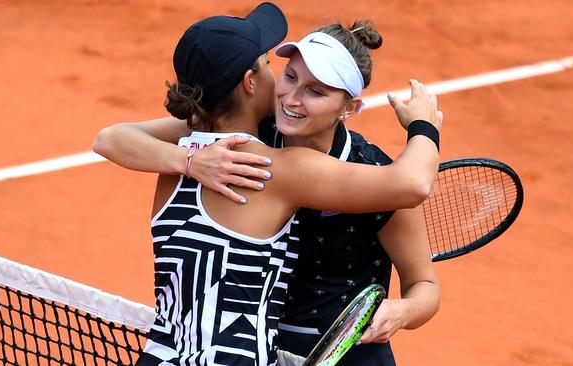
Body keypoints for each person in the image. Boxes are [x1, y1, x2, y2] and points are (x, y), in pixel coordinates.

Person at [93, 3, 442, 365]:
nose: (291, 99)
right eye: (289, 76)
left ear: (349, 109)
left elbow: (425, 285)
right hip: (263, 347)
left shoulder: (374, 172)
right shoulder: (250, 140)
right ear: (251, 82)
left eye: (315, 92)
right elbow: (110, 139)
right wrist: (191, 161)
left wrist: (402, 311)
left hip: (345, 352)